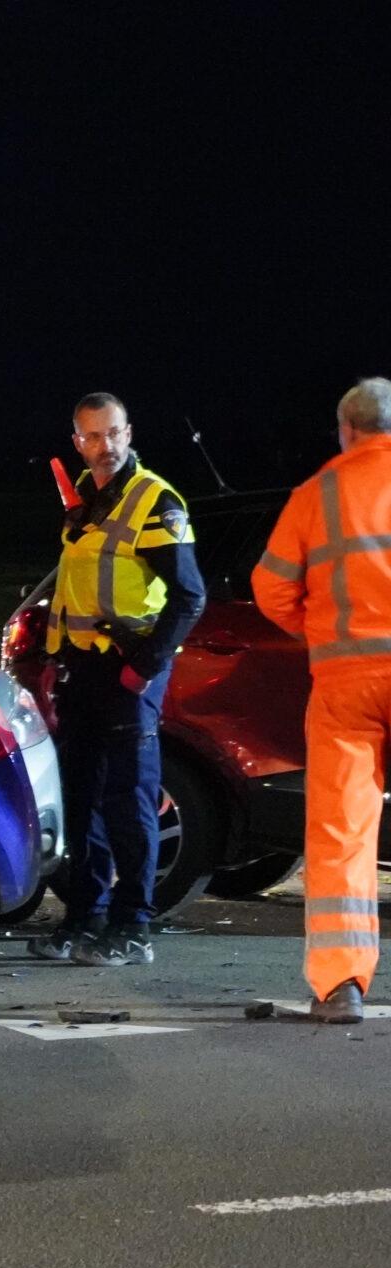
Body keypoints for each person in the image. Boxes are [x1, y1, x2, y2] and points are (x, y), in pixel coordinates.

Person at [28, 392, 206, 967]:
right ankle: (84, 918)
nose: (105, 447)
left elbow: (189, 597)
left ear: (130, 434)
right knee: (83, 803)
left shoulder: (155, 500)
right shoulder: (83, 500)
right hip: (82, 671)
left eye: (114, 434)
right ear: (77, 441)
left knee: (130, 803)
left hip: (127, 672)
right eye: (93, 437)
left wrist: (142, 668)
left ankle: (134, 925)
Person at [251, 377, 391, 1023]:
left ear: (345, 430)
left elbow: (271, 587)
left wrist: (324, 628)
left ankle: (341, 987)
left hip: (346, 684)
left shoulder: (316, 496)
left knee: (340, 833)